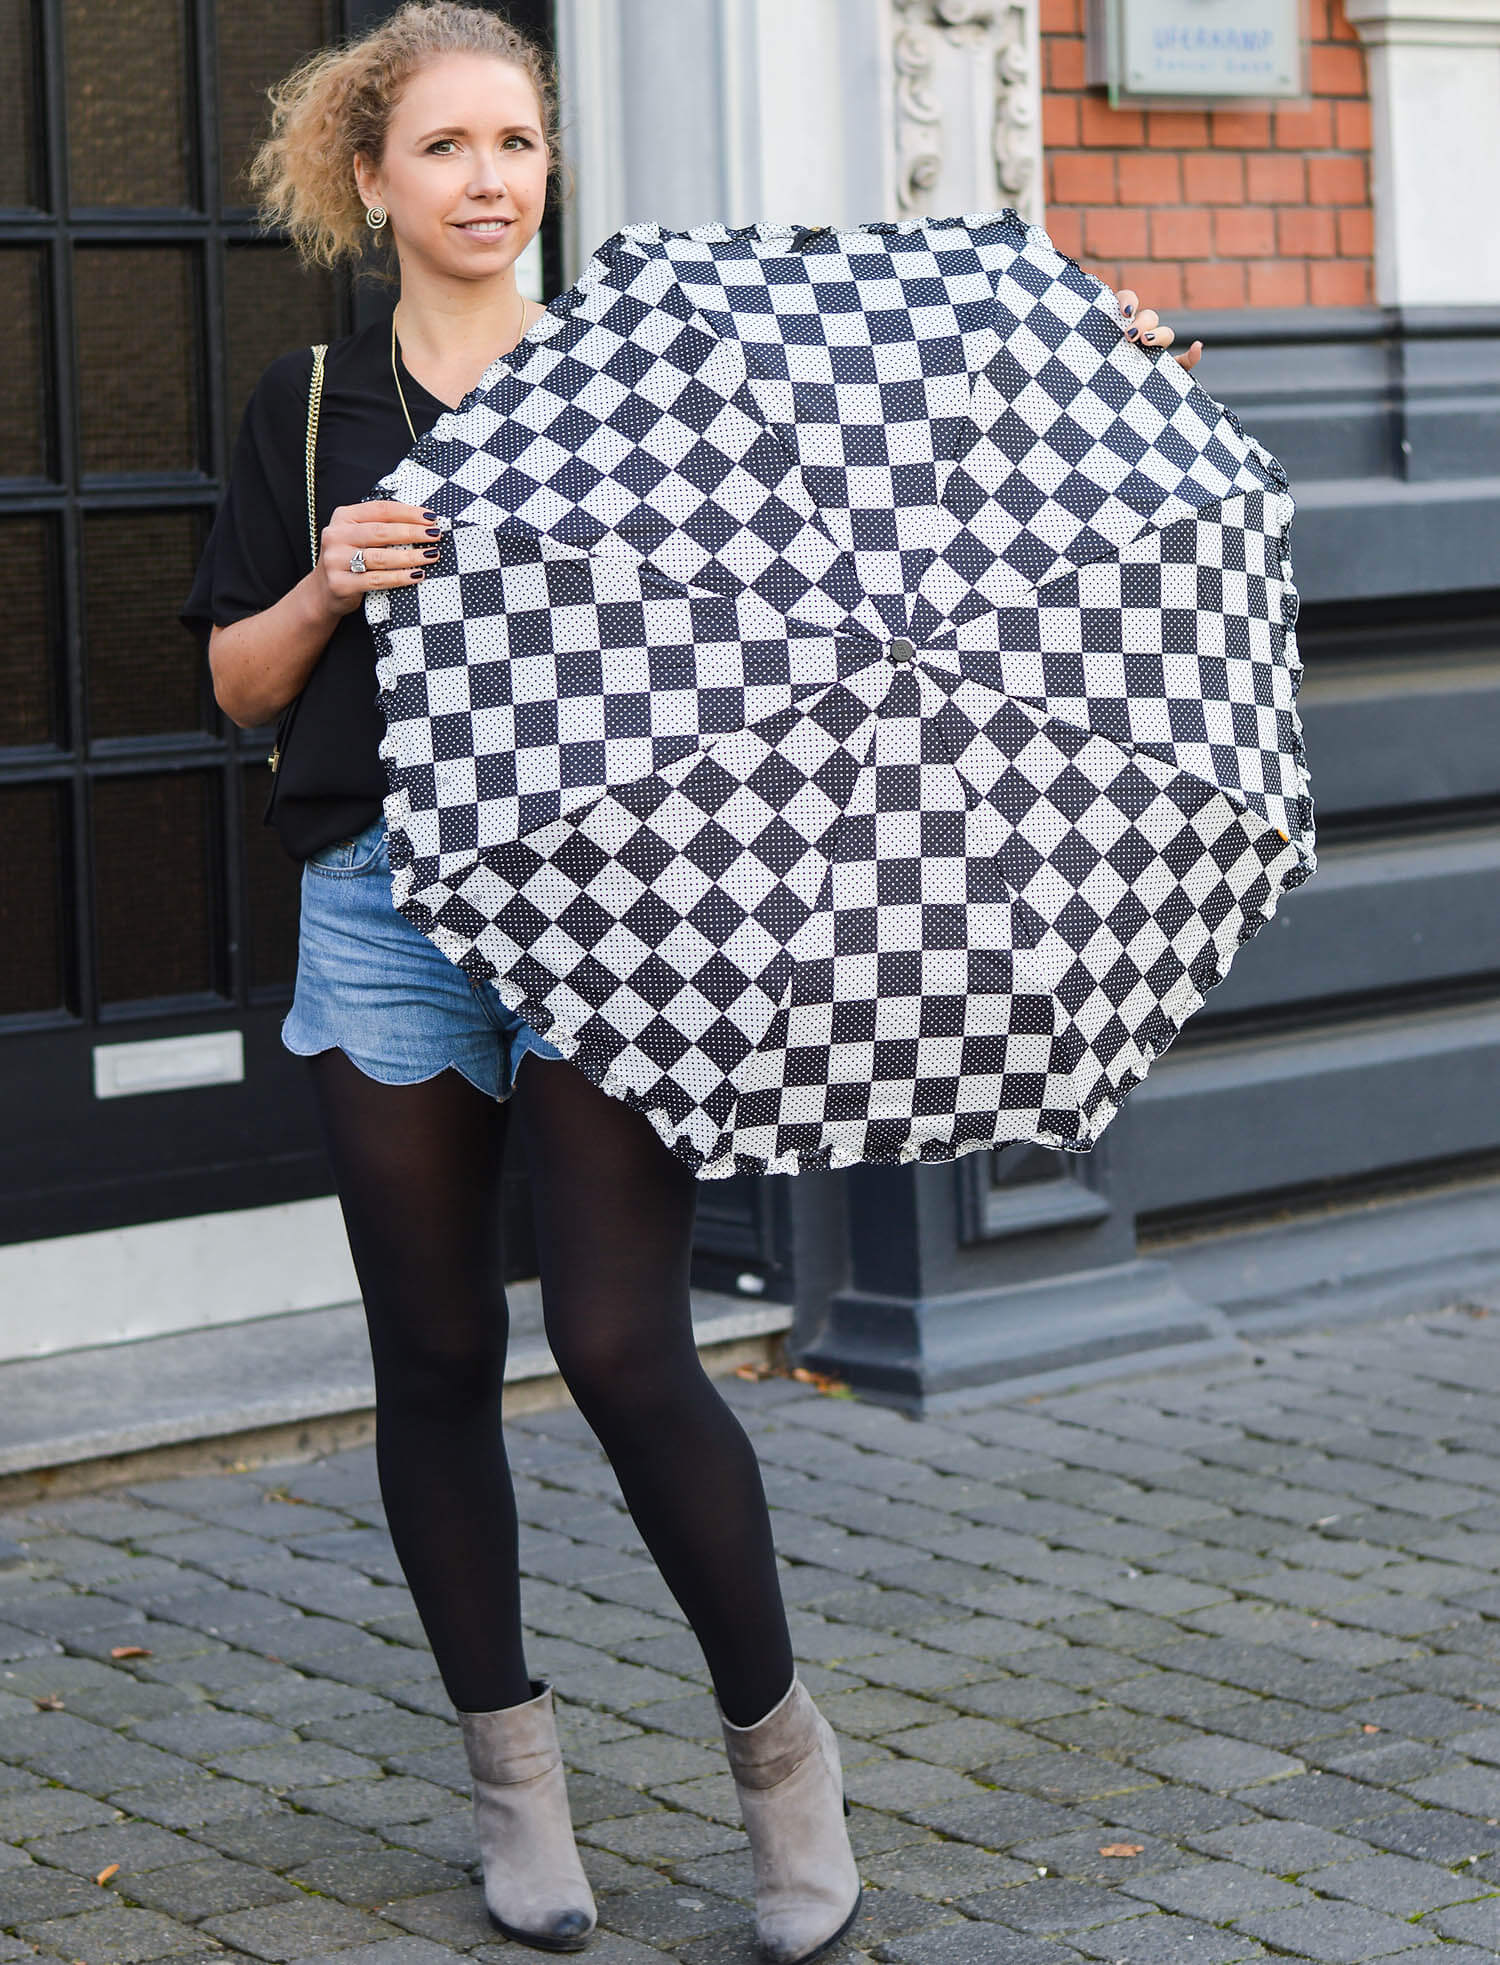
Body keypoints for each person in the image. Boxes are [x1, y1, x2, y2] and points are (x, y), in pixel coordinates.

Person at [183, 6, 1202, 1956]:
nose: (492, 178)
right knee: (435, 1361)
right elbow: (237, 682)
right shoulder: (309, 410)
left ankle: (778, 1747)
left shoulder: (650, 383)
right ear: (373, 179)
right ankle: (516, 1782)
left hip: (616, 889)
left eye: (519, 142)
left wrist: (1104, 385)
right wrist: (329, 582)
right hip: (383, 905)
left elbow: (911, 456)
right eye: (450, 148)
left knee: (623, 1339)